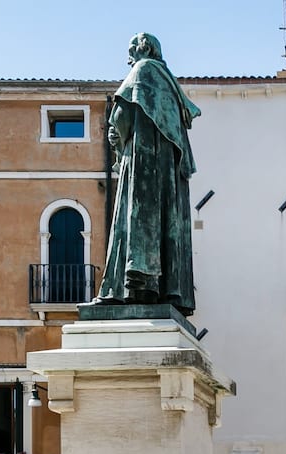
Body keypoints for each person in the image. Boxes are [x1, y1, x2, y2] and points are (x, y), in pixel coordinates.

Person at [96, 32, 200, 313]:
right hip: (166, 173)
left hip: (142, 164)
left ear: (141, 51)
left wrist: (115, 141)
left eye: (131, 51)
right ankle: (163, 287)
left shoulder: (141, 72)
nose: (128, 58)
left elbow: (119, 119)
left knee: (133, 223)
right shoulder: (170, 86)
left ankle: (131, 287)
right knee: (165, 222)